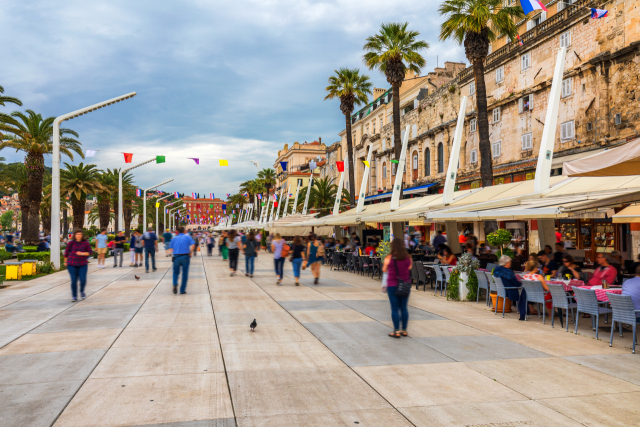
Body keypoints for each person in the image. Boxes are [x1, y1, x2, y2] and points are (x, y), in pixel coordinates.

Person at [382, 238, 412, 338]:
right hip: (405, 285)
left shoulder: (389, 257)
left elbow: (384, 269)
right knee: (404, 308)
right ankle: (404, 330)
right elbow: (409, 267)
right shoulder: (408, 257)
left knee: (394, 308)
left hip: (392, 285)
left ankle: (396, 331)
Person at [492, 255, 526, 320]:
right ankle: (523, 313)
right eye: (510, 262)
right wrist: (522, 283)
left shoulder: (497, 269)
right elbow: (516, 283)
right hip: (509, 291)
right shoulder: (508, 272)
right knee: (524, 291)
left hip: (501, 290)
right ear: (506, 263)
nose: (511, 263)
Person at [64, 230, 92, 302]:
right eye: (77, 234)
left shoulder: (85, 243)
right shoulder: (71, 243)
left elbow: (90, 252)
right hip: (71, 264)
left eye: (80, 234)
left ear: (82, 235)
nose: (78, 235)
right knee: (73, 280)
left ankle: (82, 291)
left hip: (82, 264)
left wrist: (82, 254)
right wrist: (65, 262)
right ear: (74, 235)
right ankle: (74, 296)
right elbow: (66, 253)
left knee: (82, 279)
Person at [168, 226, 195, 294]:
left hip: (176, 257)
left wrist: (174, 253)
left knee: (175, 272)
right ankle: (182, 290)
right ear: (184, 231)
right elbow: (193, 245)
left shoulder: (174, 238)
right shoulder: (187, 237)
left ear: (177, 231)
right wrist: (190, 253)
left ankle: (175, 283)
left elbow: (170, 249)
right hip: (185, 256)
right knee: (184, 274)